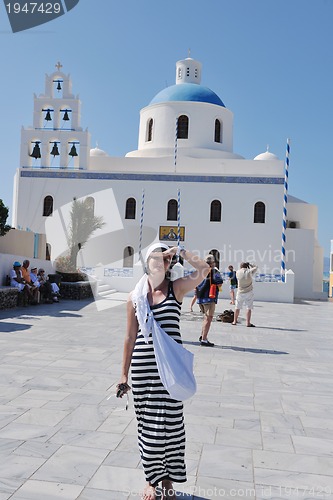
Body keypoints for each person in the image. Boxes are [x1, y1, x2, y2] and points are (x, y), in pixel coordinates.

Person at [117, 243, 209, 500]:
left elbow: (204, 269)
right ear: (147, 261)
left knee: (172, 427)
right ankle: (151, 480)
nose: (162, 263)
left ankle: (168, 480)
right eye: (157, 258)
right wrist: (123, 375)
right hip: (143, 371)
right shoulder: (134, 297)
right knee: (148, 427)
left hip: (170, 371)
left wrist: (181, 252)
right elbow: (129, 337)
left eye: (166, 260)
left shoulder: (176, 288)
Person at [196, 255, 223, 347]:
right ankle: (204, 339)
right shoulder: (214, 271)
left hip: (200, 297)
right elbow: (219, 283)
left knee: (205, 317)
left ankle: (202, 335)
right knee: (208, 318)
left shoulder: (200, 271)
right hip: (209, 297)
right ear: (212, 263)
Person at [232, 262, 258, 327]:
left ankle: (234, 321)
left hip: (240, 292)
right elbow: (256, 267)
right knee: (249, 308)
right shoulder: (249, 272)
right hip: (249, 292)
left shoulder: (237, 272)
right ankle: (248, 323)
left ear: (240, 266)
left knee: (237, 307)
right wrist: (250, 264)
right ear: (247, 266)